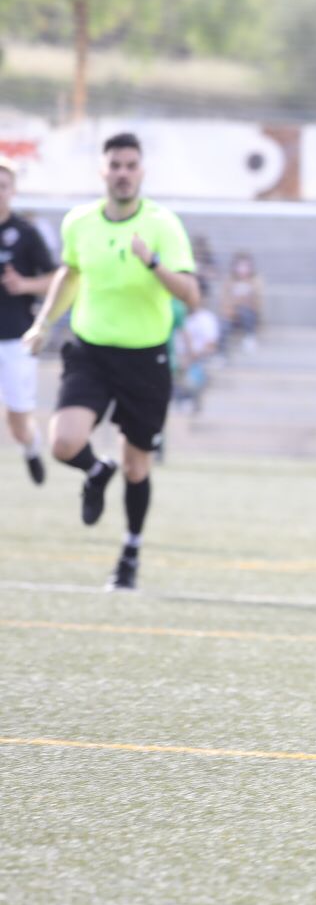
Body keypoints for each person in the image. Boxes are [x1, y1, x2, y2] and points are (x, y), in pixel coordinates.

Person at [22, 132, 200, 590]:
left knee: (137, 466)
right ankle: (96, 470)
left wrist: (153, 263)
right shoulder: (79, 222)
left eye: (130, 165)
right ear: (103, 171)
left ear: (141, 171)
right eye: (115, 165)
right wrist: (43, 323)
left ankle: (129, 555)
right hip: (90, 351)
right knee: (63, 442)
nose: (122, 173)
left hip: (145, 358)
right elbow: (69, 272)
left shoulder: (163, 224)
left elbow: (192, 296)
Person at [0, 160, 58, 483]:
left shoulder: (25, 233)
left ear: (13, 191)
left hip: (15, 339)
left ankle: (31, 447)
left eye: (3, 185)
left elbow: (55, 279)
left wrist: (24, 285)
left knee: (17, 423)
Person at [218, 252, 264, 354]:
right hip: (232, 316)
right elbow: (224, 301)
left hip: (249, 315)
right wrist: (236, 305)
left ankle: (250, 337)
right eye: (240, 266)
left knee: (245, 311)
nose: (242, 269)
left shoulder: (255, 281)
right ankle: (221, 354)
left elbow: (258, 302)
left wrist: (241, 302)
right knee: (223, 324)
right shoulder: (229, 281)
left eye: (245, 266)